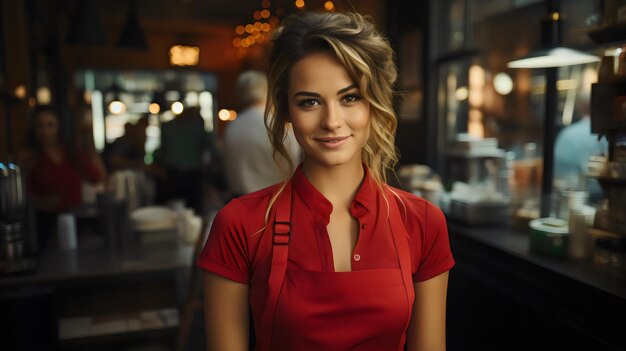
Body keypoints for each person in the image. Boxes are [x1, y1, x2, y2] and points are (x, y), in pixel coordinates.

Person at [197, 12, 454, 351]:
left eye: (350, 97)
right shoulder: (239, 224)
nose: (332, 121)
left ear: (374, 105)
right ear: (286, 111)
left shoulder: (423, 222)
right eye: (310, 102)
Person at [18, 105, 106, 247]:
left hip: (76, 221)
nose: (45, 131)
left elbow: (96, 177)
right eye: (40, 126)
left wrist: (89, 146)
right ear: (33, 129)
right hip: (45, 224)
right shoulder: (31, 158)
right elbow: (25, 196)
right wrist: (40, 202)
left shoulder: (72, 153)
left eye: (50, 125)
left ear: (59, 127)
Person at [224, 70, 301, 197]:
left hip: (241, 200)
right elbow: (294, 162)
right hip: (278, 199)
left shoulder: (233, 126)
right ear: (267, 91)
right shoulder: (278, 124)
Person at [154, 106, 209, 213]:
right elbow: (212, 149)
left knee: (171, 211)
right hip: (191, 175)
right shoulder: (198, 126)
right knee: (194, 211)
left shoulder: (167, 126)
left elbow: (159, 153)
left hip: (172, 175)